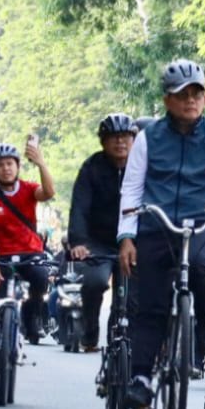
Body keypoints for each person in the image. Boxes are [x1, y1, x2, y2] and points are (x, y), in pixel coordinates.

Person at [115, 60, 205, 409]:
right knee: (151, 306)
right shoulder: (147, 138)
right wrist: (127, 237)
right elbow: (131, 189)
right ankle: (142, 379)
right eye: (182, 95)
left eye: (197, 93)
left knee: (203, 267)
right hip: (157, 222)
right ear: (167, 100)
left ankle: (204, 327)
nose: (191, 100)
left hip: (204, 220)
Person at [0, 140, 56, 391]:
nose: (6, 169)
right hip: (0, 259)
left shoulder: (30, 189)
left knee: (42, 279)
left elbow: (49, 192)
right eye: (0, 165)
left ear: (18, 166)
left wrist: (41, 162)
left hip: (30, 254)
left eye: (10, 164)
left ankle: (32, 318)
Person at [67, 113, 139, 352]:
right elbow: (79, 207)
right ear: (103, 142)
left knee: (129, 297)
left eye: (126, 137)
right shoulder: (92, 168)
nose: (120, 142)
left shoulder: (142, 166)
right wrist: (78, 241)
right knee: (94, 282)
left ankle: (117, 338)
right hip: (99, 241)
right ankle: (89, 333)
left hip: (132, 241)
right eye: (114, 138)